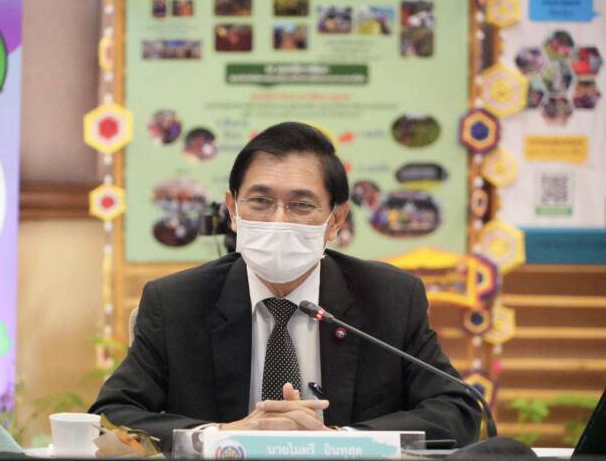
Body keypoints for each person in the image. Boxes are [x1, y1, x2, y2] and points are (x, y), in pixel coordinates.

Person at [89, 122, 481, 451]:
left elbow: (457, 411)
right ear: (232, 210)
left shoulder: (390, 298)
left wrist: (339, 443)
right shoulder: (177, 303)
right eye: (260, 201)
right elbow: (110, 417)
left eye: (301, 205)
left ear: (336, 219)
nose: (278, 220)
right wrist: (223, 436)